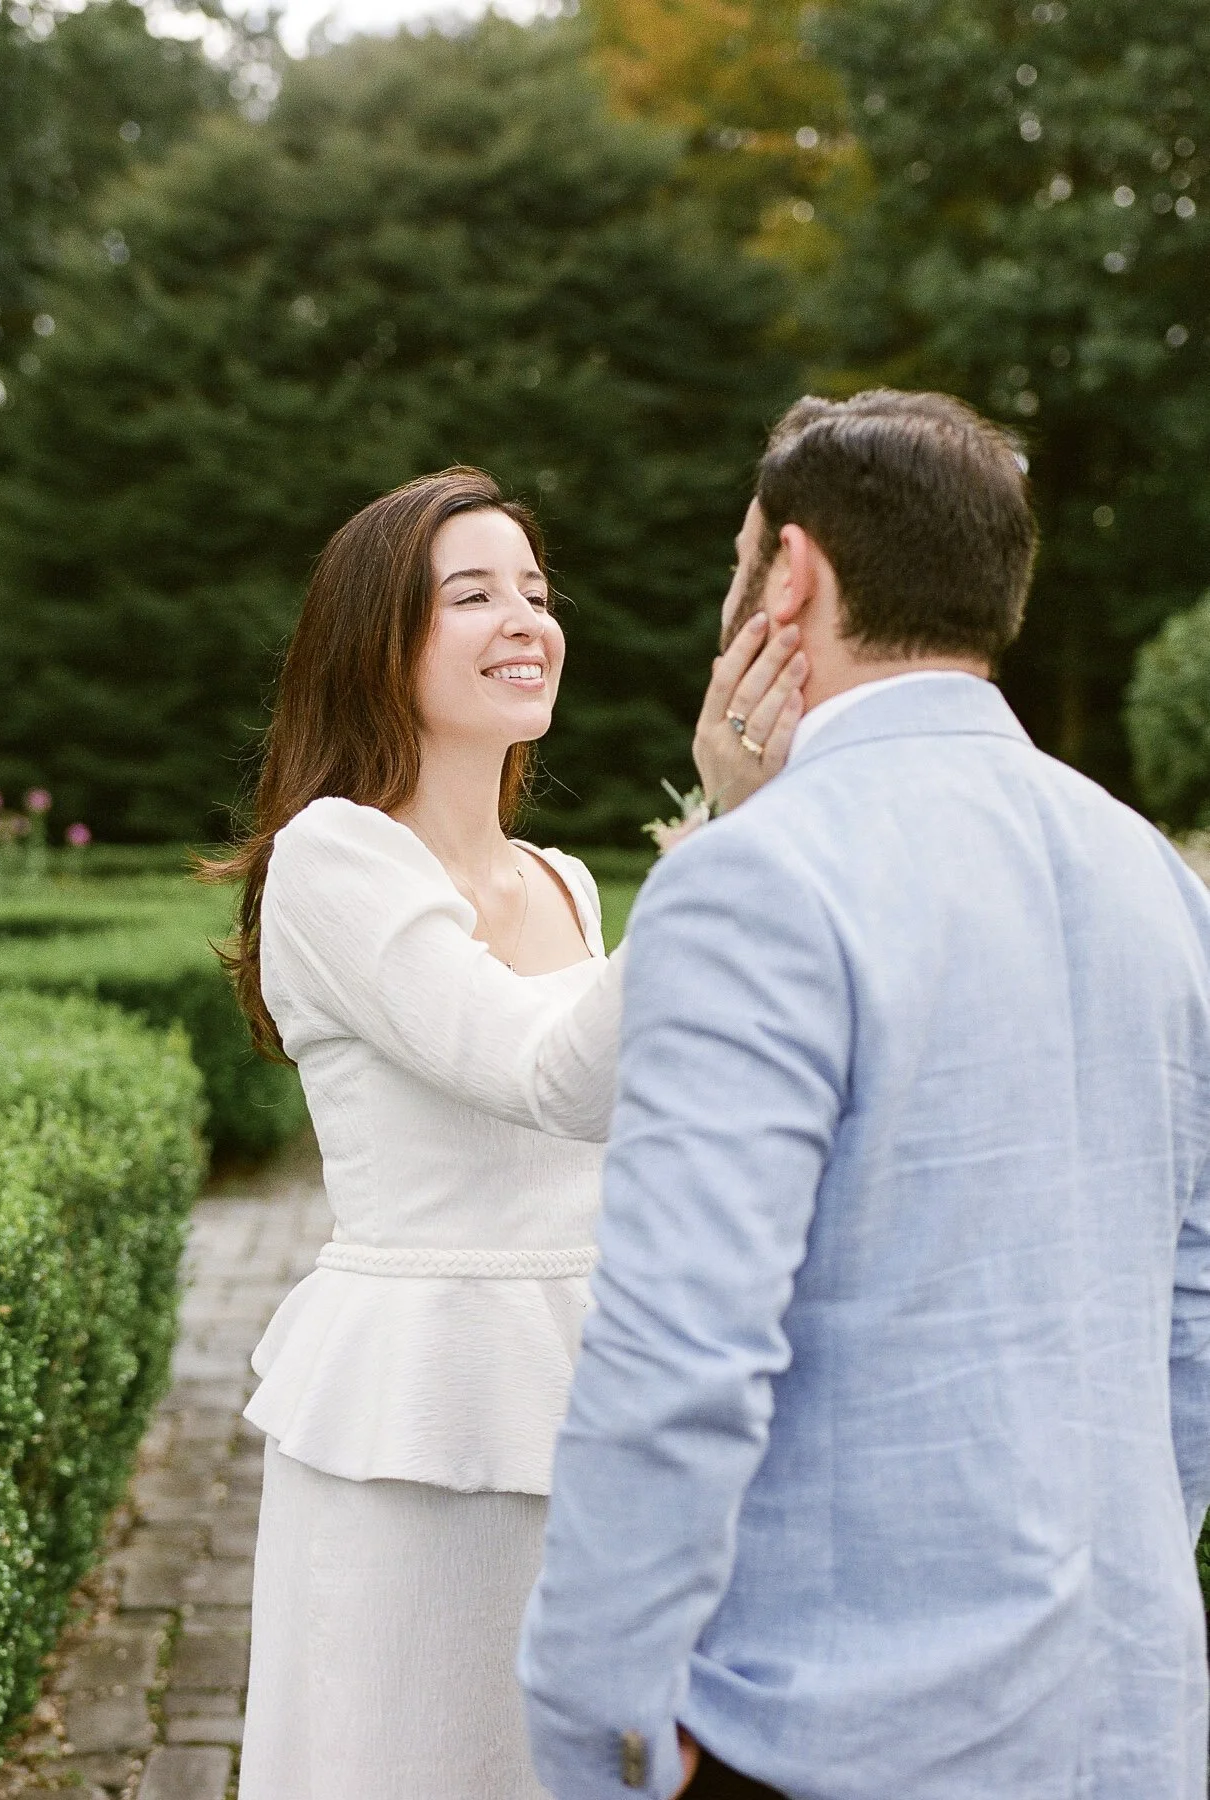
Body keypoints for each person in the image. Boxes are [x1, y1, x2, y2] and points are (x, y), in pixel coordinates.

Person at [520, 391, 1210, 1800]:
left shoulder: (755, 879)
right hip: (1124, 1715)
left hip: (838, 1733)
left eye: (741, 562)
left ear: (792, 576)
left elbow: (681, 1354)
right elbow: (1192, 1312)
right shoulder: (1152, 871)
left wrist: (600, 1735)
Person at [205, 465, 806, 1800]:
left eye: (534, 591)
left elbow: (637, 1108)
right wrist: (723, 835)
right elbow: (548, 1076)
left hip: (593, 1384)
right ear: (377, 641)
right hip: (418, 1404)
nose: (525, 620)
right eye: (471, 594)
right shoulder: (334, 858)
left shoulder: (565, 880)